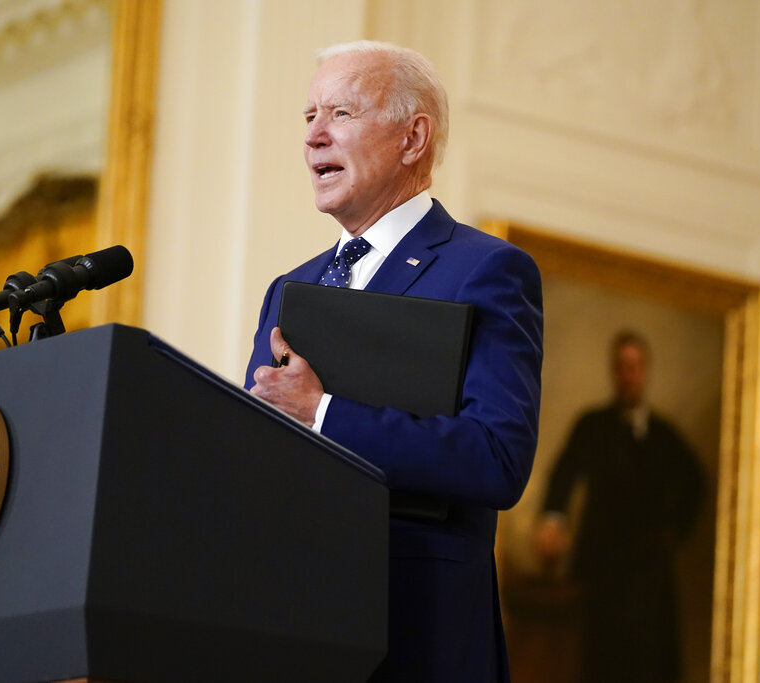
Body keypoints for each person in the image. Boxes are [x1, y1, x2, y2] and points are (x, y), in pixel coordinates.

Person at [245, 41, 544, 682]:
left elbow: (497, 458)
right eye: (308, 118)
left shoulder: (485, 271)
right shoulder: (288, 291)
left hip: (418, 633)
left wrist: (322, 413)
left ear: (413, 138)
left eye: (341, 114)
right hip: (292, 626)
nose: (314, 137)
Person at [532, 331, 703, 683]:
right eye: (622, 367)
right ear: (614, 373)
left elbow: (696, 483)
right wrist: (553, 519)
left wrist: (675, 530)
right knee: (599, 665)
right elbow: (564, 473)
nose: (629, 375)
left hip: (649, 580)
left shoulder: (664, 436)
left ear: (646, 372)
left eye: (636, 366)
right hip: (602, 571)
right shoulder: (592, 425)